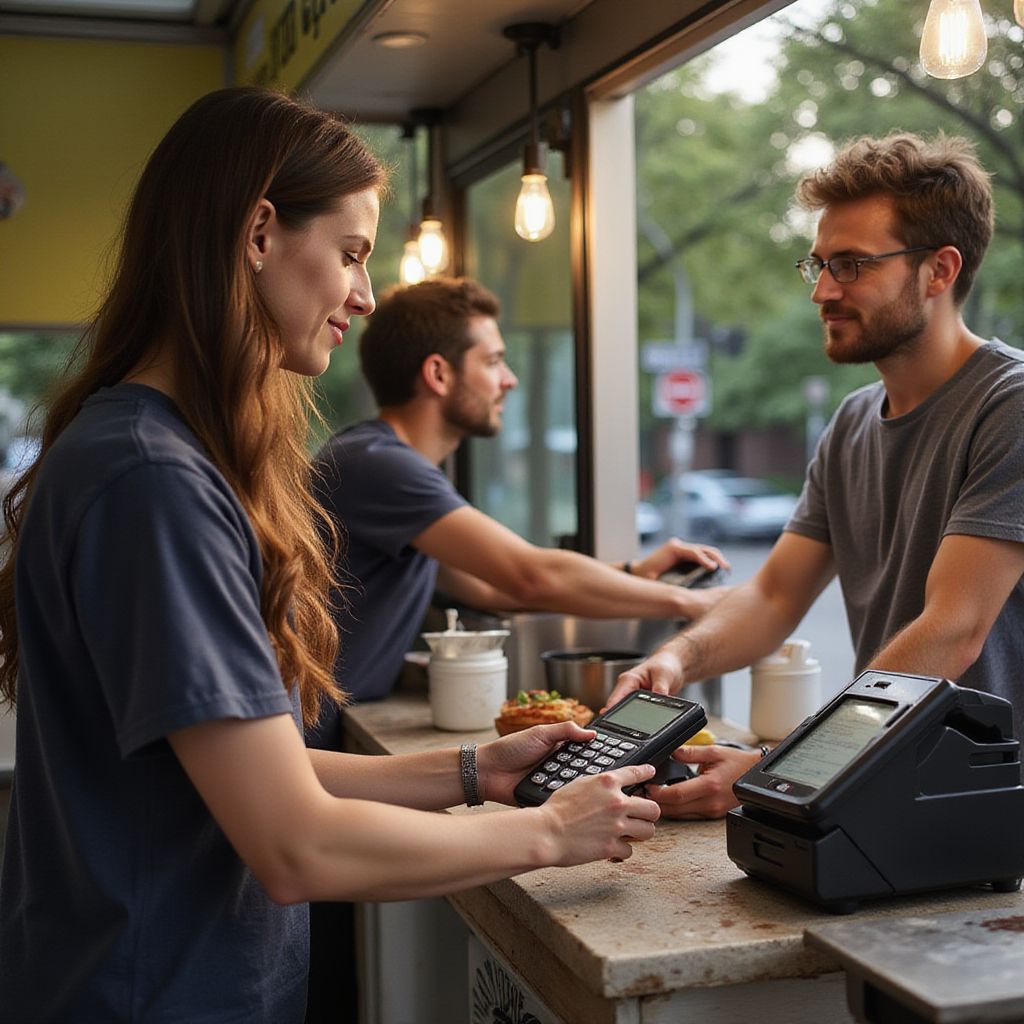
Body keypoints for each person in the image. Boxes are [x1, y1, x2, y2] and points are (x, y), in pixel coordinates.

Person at [0, 87, 664, 1023]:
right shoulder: (154, 483)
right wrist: (549, 831)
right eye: (352, 254)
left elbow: (261, 771)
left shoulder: (146, 452)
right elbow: (296, 847)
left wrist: (478, 774)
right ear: (259, 232)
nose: (363, 293)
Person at [607, 132, 1024, 821]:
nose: (823, 291)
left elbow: (954, 628)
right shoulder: (854, 421)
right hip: (883, 792)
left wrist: (782, 768)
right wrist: (676, 661)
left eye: (853, 265)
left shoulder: (1008, 405)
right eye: (820, 264)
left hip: (984, 817)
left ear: (939, 271)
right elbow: (773, 597)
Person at [309, 276, 729, 733]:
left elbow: (488, 588)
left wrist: (635, 573)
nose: (509, 380)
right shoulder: (380, 464)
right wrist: (692, 602)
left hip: (325, 724)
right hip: (309, 734)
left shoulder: (377, 461)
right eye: (492, 362)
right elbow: (530, 576)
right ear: (439, 374)